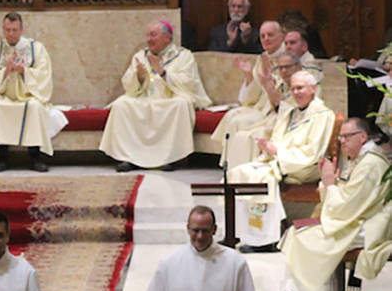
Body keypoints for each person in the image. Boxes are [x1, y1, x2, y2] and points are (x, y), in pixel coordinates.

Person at [277, 117, 391, 291]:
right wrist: (330, 181)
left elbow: (348, 205)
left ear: (363, 137)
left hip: (368, 226)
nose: (343, 141)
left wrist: (329, 183)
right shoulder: (361, 159)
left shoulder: (371, 163)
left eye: (348, 136)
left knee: (307, 237)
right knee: (297, 232)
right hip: (355, 219)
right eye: (341, 137)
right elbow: (349, 196)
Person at [229, 71, 335, 253]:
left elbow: (312, 152)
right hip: (283, 160)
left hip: (304, 166)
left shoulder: (322, 115)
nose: (296, 93)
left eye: (300, 88)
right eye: (293, 89)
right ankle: (247, 232)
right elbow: (278, 137)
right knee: (240, 172)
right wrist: (268, 147)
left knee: (259, 177)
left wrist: (276, 151)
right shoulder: (292, 112)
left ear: (313, 89)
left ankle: (266, 239)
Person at [100, 20, 213, 172]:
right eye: (147, 35)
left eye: (153, 35)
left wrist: (162, 72)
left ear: (167, 37)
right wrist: (139, 77)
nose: (148, 39)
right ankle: (129, 157)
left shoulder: (183, 56)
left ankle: (170, 157)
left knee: (180, 105)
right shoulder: (140, 56)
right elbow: (128, 84)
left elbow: (189, 82)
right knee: (122, 104)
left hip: (170, 97)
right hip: (145, 96)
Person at [0, 12, 66, 172]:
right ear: (3, 29)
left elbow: (44, 74)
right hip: (5, 96)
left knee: (35, 108)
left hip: (28, 96)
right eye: (7, 30)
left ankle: (35, 157)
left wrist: (24, 71)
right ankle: (2, 158)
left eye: (14, 30)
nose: (11, 34)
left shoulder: (36, 49)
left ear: (21, 30)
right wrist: (5, 71)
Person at [211, 20, 287, 168]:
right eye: (263, 35)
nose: (266, 39)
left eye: (270, 35)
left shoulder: (287, 60)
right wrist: (248, 76)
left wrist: (269, 80)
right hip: (260, 107)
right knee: (232, 116)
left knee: (237, 122)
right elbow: (250, 98)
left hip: (275, 111)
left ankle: (242, 167)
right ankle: (231, 166)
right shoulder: (262, 58)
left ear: (281, 37)